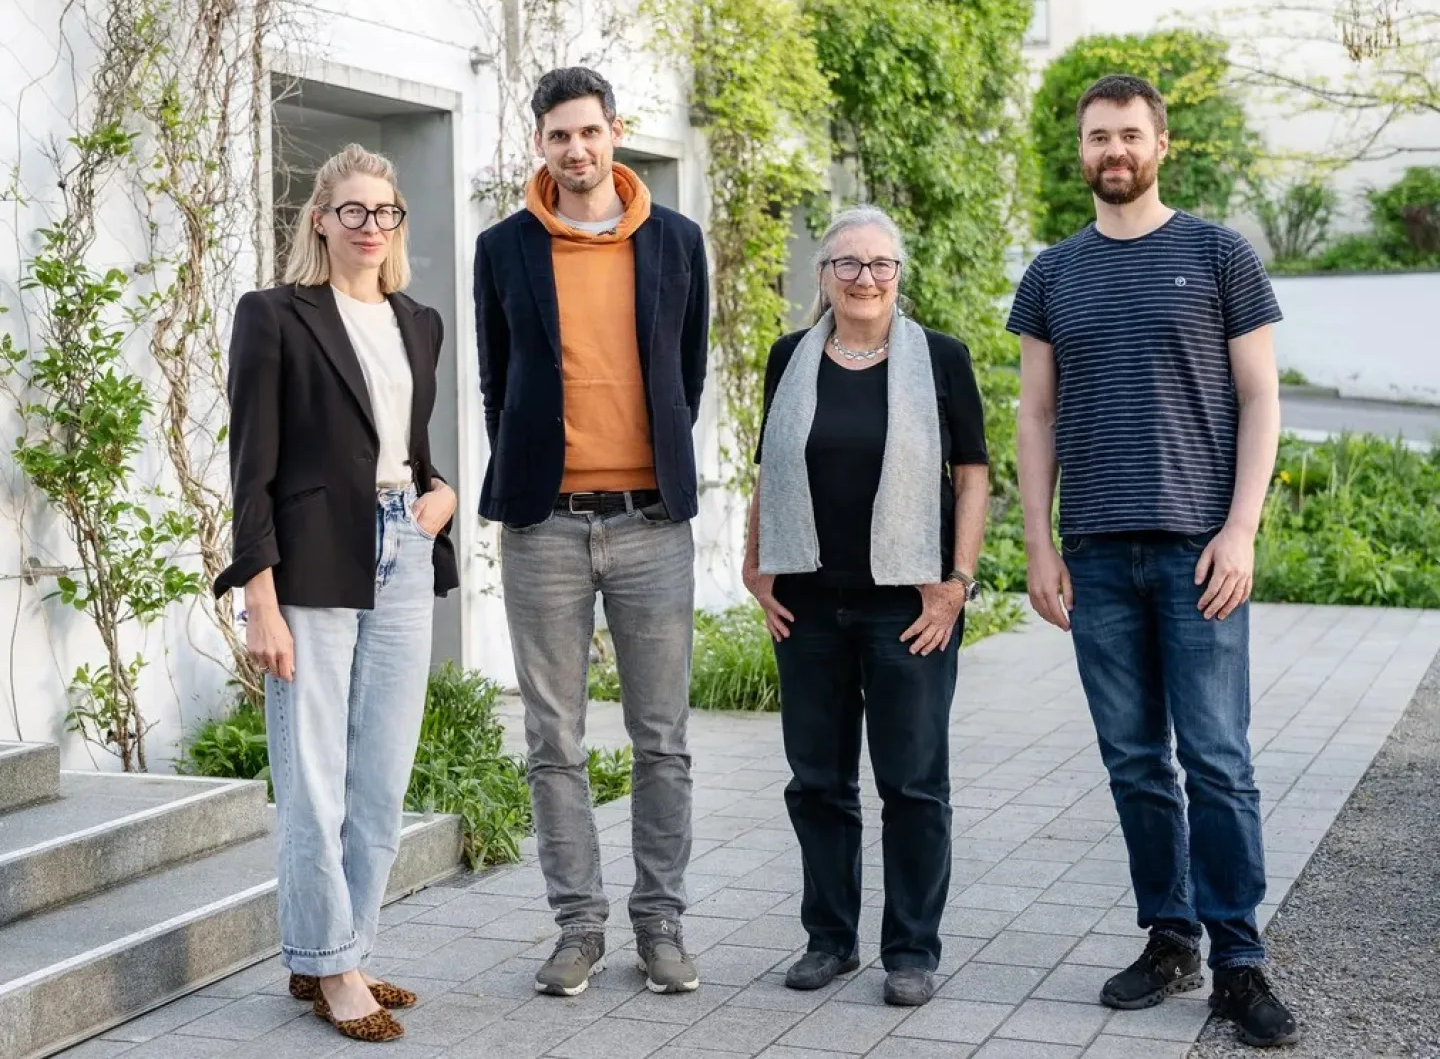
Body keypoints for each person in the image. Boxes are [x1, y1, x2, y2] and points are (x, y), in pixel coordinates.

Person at [1008, 74, 1298, 1048]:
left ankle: (1240, 963)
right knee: (1136, 763)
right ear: (1082, 151)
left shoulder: (1219, 254)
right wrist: (1040, 545)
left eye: (1130, 134)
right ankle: (1170, 937)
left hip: (1196, 551)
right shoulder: (1053, 273)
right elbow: (1036, 413)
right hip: (1094, 555)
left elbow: (1262, 400)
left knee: (1217, 761)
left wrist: (1242, 528)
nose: (1114, 151)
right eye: (1098, 137)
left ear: (1162, 144)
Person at [473, 66, 709, 998]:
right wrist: (544, 469)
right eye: (559, 135)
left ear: (617, 133)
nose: (577, 149)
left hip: (652, 522)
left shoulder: (677, 242)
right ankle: (578, 928)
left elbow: (684, 375)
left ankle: (661, 927)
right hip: (545, 529)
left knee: (663, 739)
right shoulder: (505, 248)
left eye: (590, 132)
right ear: (541, 143)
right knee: (553, 741)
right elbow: (500, 382)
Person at [216, 144, 459, 1043]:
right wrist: (260, 597)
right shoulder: (274, 316)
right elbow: (252, 471)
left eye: (384, 212)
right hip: (311, 560)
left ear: (399, 225)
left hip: (403, 545)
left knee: (382, 777)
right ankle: (335, 968)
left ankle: (337, 950)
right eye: (351, 210)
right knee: (313, 777)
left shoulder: (418, 321)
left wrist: (443, 496)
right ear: (320, 218)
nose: (369, 226)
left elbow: (404, 445)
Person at [743, 206, 990, 1009]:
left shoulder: (941, 359)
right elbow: (768, 467)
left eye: (881, 264)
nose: (865, 279)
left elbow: (972, 476)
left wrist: (957, 580)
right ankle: (829, 939)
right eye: (847, 264)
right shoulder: (790, 357)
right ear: (823, 276)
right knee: (817, 781)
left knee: (913, 784)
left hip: (908, 608)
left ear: (899, 274)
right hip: (808, 603)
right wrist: (755, 564)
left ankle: (912, 950)